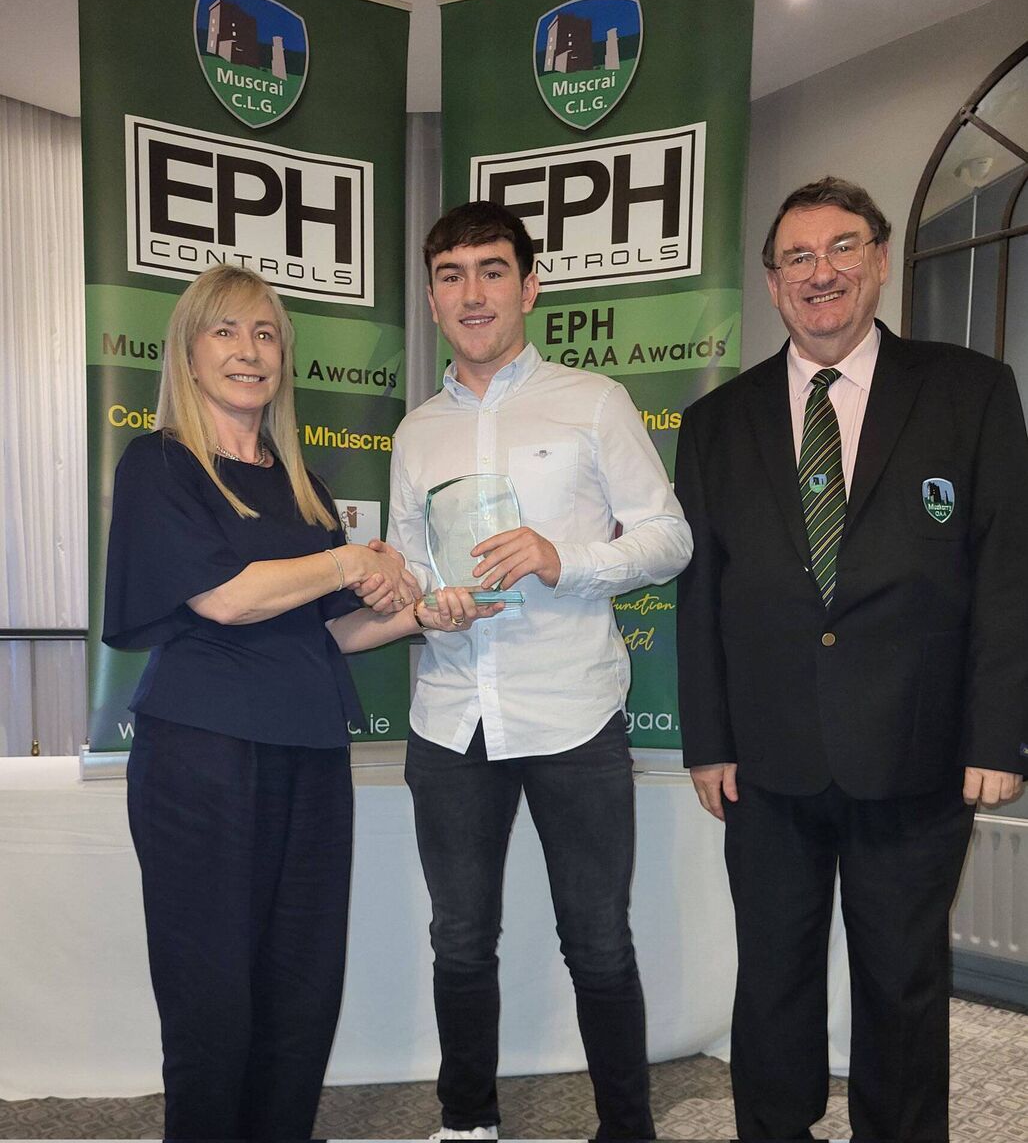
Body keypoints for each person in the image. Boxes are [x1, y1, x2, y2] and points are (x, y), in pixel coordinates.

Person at [103, 263, 496, 1142]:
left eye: (267, 334)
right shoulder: (159, 464)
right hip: (202, 756)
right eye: (227, 332)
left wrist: (421, 612)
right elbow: (226, 598)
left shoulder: (299, 481)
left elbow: (328, 632)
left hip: (309, 749)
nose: (250, 352)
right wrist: (353, 561)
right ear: (190, 355)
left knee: (300, 983)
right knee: (212, 992)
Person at [674, 176, 1028, 1141]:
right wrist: (705, 743)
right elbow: (698, 593)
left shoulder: (970, 391)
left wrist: (998, 736)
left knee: (904, 988)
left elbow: (1007, 575)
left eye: (840, 249)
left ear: (876, 259)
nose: (819, 272)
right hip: (767, 766)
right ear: (773, 282)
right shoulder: (715, 424)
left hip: (916, 758)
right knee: (773, 983)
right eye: (797, 257)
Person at [386, 201, 693, 1141]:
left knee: (598, 942)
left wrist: (565, 560)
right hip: (450, 718)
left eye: (490, 269)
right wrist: (425, 606)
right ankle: (468, 1123)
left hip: (573, 714)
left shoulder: (593, 401)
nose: (470, 291)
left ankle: (626, 1129)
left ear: (530, 285)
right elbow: (405, 575)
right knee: (459, 943)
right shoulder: (415, 433)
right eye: (450, 274)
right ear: (433, 297)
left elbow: (670, 537)